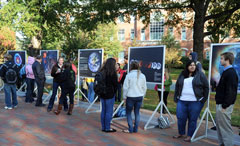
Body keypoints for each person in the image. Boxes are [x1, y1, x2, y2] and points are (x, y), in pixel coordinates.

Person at [173, 60, 209, 142]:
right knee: (180, 117)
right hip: (182, 100)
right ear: (187, 66)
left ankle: (190, 135)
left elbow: (206, 87)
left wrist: (204, 99)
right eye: (190, 65)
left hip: (195, 102)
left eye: (194, 65)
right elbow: (177, 86)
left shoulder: (200, 74)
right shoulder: (182, 74)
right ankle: (181, 133)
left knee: (192, 119)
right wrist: (176, 97)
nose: (192, 66)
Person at [215, 52, 238, 146]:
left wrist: (225, 105)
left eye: (221, 58)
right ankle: (222, 144)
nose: (220, 60)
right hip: (221, 104)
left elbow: (231, 91)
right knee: (220, 126)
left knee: (225, 127)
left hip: (224, 105)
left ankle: (228, 144)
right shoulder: (226, 72)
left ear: (227, 60)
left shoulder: (231, 73)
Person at [122, 61, 147, 133]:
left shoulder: (129, 75)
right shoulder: (142, 75)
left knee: (128, 113)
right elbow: (144, 87)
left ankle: (130, 129)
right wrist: (143, 95)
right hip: (139, 96)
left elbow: (125, 87)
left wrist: (124, 97)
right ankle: (135, 128)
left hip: (130, 97)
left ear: (131, 67)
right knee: (137, 112)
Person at [99, 58, 118, 132]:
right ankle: (107, 128)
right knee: (109, 112)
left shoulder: (102, 71)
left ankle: (103, 127)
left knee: (103, 111)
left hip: (102, 93)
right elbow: (115, 85)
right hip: (110, 94)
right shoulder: (112, 73)